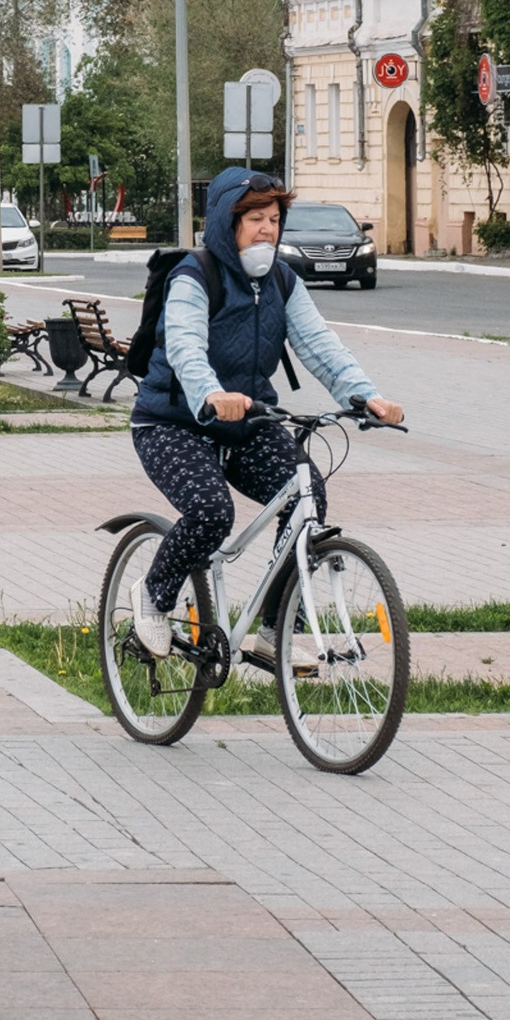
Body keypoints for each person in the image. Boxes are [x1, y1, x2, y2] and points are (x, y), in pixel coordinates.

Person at [125, 167, 404, 661]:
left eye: (274, 219)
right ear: (226, 224)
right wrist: (212, 394)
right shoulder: (194, 275)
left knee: (307, 492)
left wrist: (366, 396)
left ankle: (275, 629)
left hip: (248, 421)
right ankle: (152, 596)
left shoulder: (282, 279)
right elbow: (187, 348)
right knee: (211, 513)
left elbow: (319, 346)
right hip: (172, 424)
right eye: (255, 218)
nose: (267, 230)